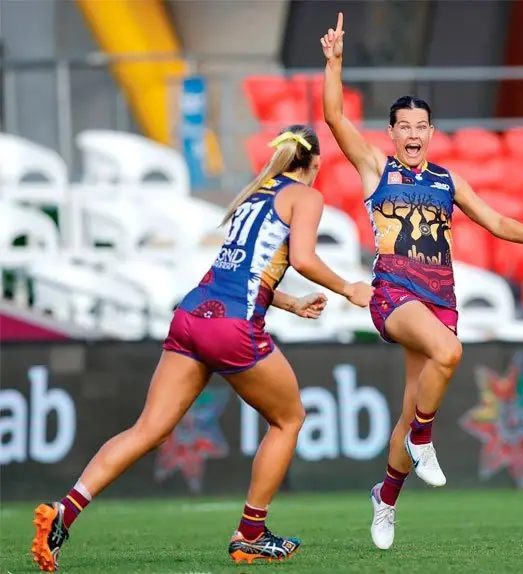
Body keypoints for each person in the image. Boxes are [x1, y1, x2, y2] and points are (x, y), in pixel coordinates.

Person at [30, 125, 374, 571]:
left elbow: (242, 270)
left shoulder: (256, 193)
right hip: (231, 325)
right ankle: (250, 534)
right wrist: (350, 288)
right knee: (289, 419)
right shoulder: (306, 197)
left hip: (193, 314)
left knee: (148, 429)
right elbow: (303, 259)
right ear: (316, 164)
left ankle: (65, 511)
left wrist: (288, 302)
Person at [319, 12, 523, 551]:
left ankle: (385, 498)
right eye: (403, 127)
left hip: (442, 296)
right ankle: (424, 438)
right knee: (451, 353)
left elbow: (496, 222)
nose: (412, 135)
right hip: (395, 292)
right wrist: (335, 62)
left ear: (432, 134)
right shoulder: (375, 170)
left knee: (416, 395)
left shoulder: (447, 180)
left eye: (421, 127)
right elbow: (336, 116)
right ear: (391, 134)